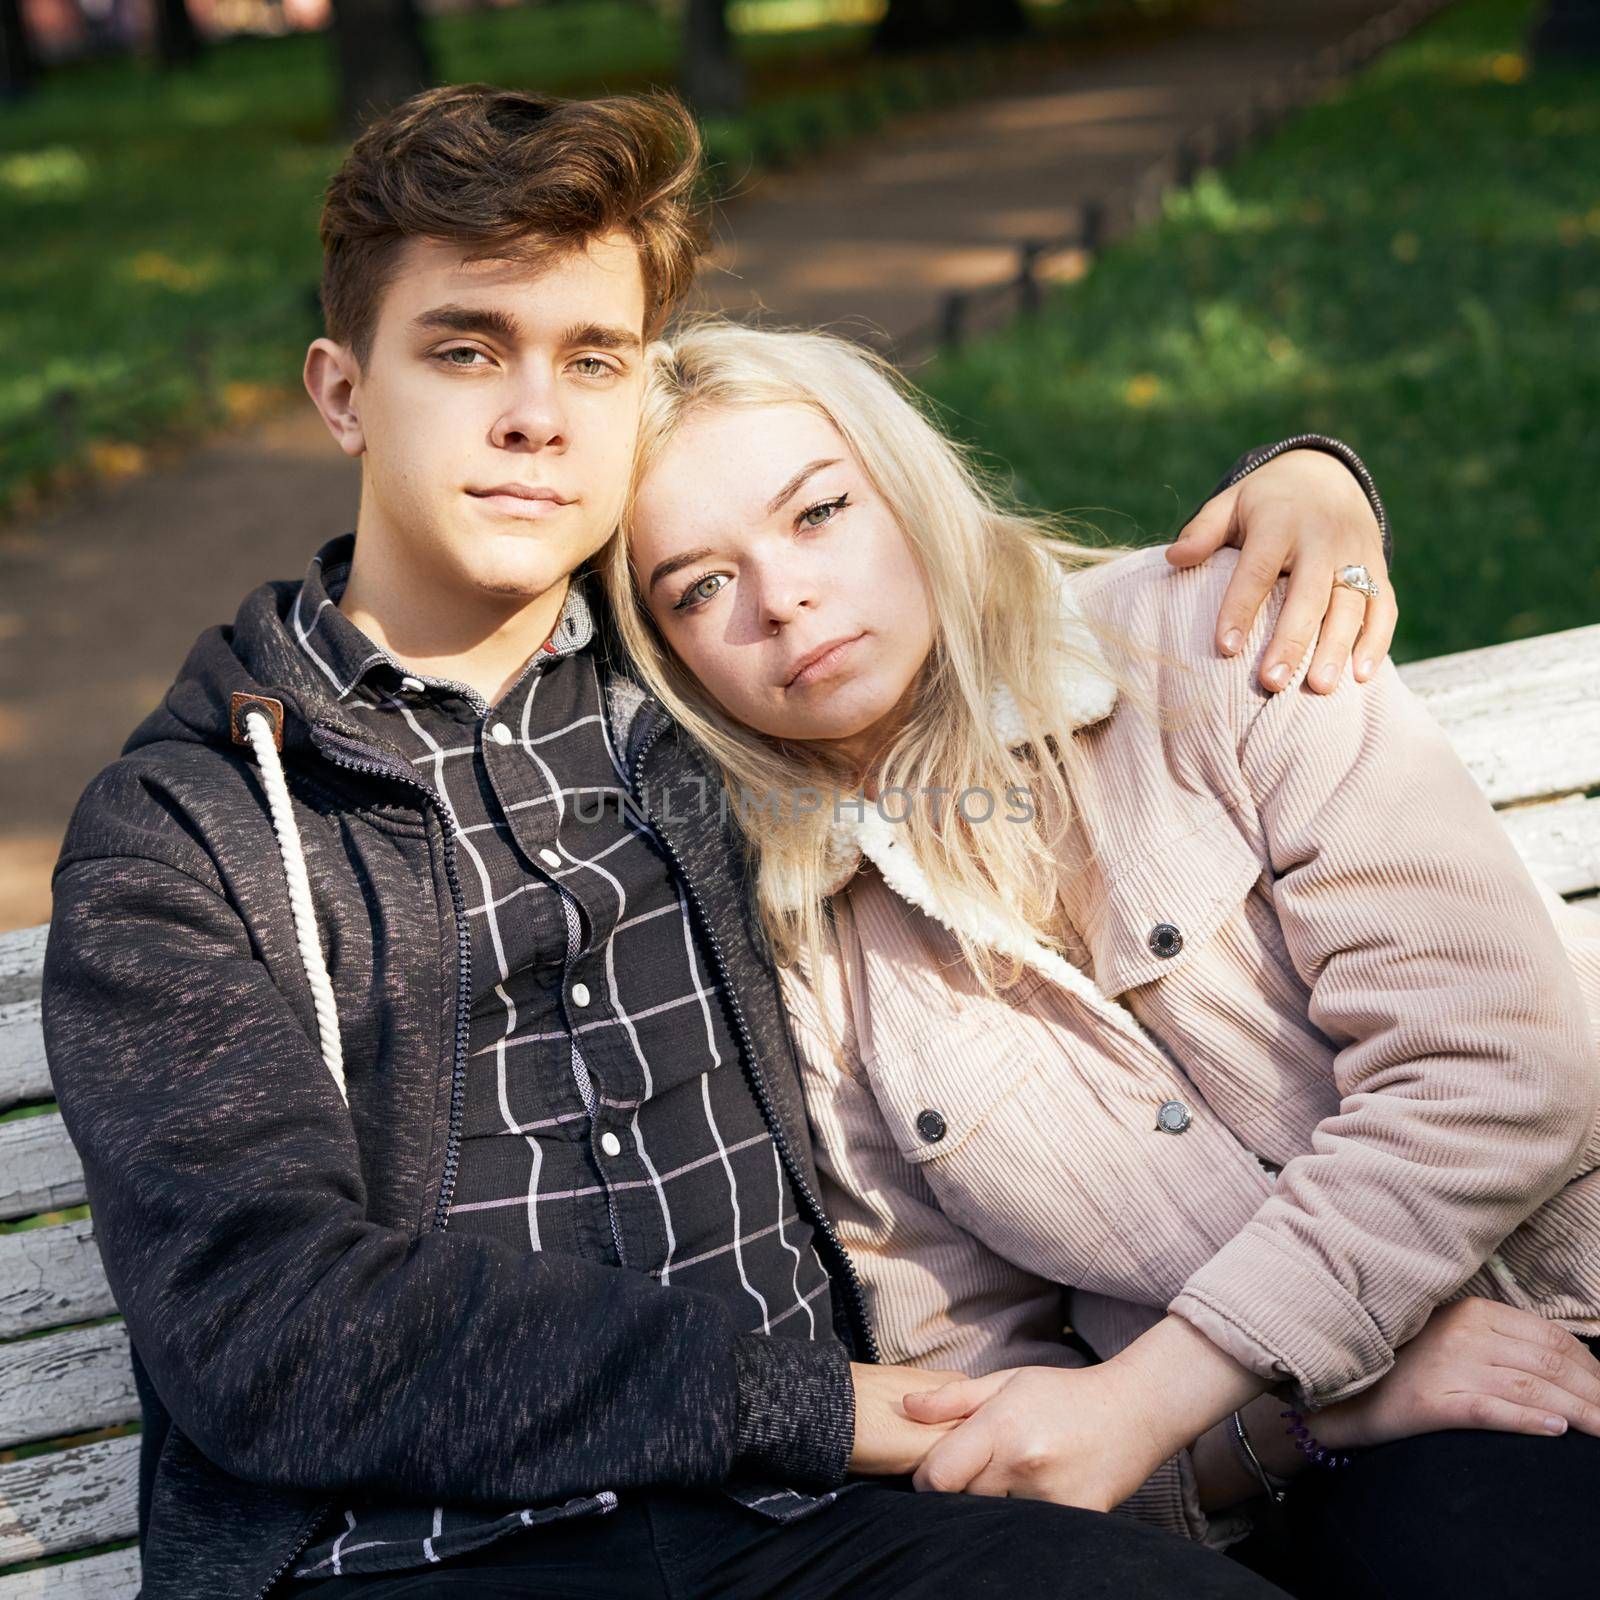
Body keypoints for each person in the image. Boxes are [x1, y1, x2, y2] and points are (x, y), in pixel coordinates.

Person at [43, 86, 1398, 1600]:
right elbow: (268, 1331)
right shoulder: (184, 837)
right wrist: (806, 1404)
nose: (535, 414)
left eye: (593, 361)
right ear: (345, 391)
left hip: (800, 1531)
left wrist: (1309, 482)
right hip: (411, 1556)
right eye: (466, 349)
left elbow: (1004, 616)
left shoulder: (714, 686)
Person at [609, 319, 1600, 1597]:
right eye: (697, 586)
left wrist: (1163, 1385)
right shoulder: (800, 954)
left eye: (818, 514)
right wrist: (1305, 1412)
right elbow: (970, 1399)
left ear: (905, 485)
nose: (781, 599)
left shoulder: (1212, 636)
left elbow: (1494, 1067)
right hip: (1362, 1476)